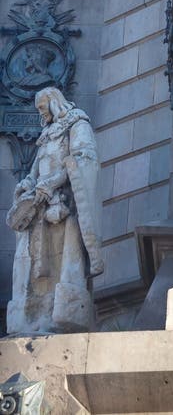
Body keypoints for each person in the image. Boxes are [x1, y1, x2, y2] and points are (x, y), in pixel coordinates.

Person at [6, 88, 103, 334]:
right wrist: (27, 184)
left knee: (63, 264)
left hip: (64, 206)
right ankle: (34, 319)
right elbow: (36, 168)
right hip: (39, 208)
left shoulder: (77, 123)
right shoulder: (47, 133)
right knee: (35, 268)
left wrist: (53, 183)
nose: (40, 113)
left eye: (42, 107)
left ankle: (62, 317)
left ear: (54, 103)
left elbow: (82, 160)